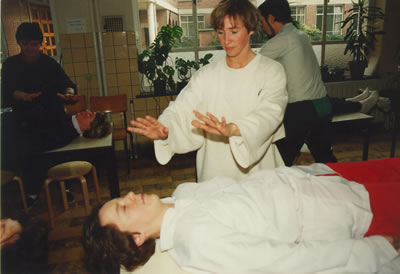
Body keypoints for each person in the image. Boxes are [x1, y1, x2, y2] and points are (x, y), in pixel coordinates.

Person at [82, 159, 400, 273]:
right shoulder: (196, 238)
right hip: (334, 209)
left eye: (119, 198)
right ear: (136, 237)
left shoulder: (180, 197)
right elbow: (284, 262)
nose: (130, 196)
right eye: (124, 208)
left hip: (320, 177)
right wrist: (372, 251)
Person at [128, 0, 288, 182]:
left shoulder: (271, 70)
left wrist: (236, 128)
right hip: (215, 170)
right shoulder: (206, 75)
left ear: (251, 29)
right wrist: (166, 129)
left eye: (234, 32)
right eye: (220, 32)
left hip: (260, 169)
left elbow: (271, 112)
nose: (226, 40)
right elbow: (182, 108)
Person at [257, 0, 375, 166]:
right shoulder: (300, 35)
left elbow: (252, 66)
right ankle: (341, 187)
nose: (261, 27)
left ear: (270, 18)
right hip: (322, 106)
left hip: (302, 111)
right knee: (325, 159)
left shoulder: (281, 40)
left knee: (279, 162)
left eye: (261, 22)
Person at [1, 22, 80, 206]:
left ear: (40, 44)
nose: (30, 48)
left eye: (34, 43)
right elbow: (7, 90)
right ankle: (32, 193)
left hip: (52, 118)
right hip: (25, 121)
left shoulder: (49, 63)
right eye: (26, 43)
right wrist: (23, 96)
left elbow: (67, 83)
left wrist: (68, 93)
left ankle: (65, 188)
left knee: (59, 155)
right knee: (29, 155)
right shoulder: (11, 65)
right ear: (20, 43)